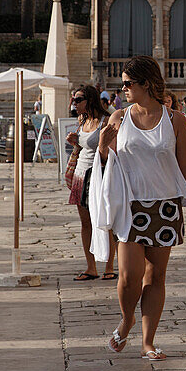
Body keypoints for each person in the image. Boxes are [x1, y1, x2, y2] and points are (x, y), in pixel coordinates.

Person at [93, 56, 186, 360]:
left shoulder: (175, 119)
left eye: (128, 83)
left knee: (156, 276)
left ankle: (147, 342)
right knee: (129, 275)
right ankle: (127, 320)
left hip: (166, 205)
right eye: (123, 83)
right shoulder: (118, 118)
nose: (123, 88)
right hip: (129, 204)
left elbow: (185, 166)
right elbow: (106, 164)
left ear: (147, 84)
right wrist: (103, 146)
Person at [67, 85, 115, 281]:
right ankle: (91, 267)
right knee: (85, 223)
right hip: (80, 174)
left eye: (78, 100)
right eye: (74, 100)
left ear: (90, 100)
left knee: (105, 221)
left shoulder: (106, 121)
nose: (74, 104)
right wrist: (75, 142)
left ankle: (110, 267)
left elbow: (111, 149)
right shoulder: (82, 120)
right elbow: (84, 147)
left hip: (100, 175)